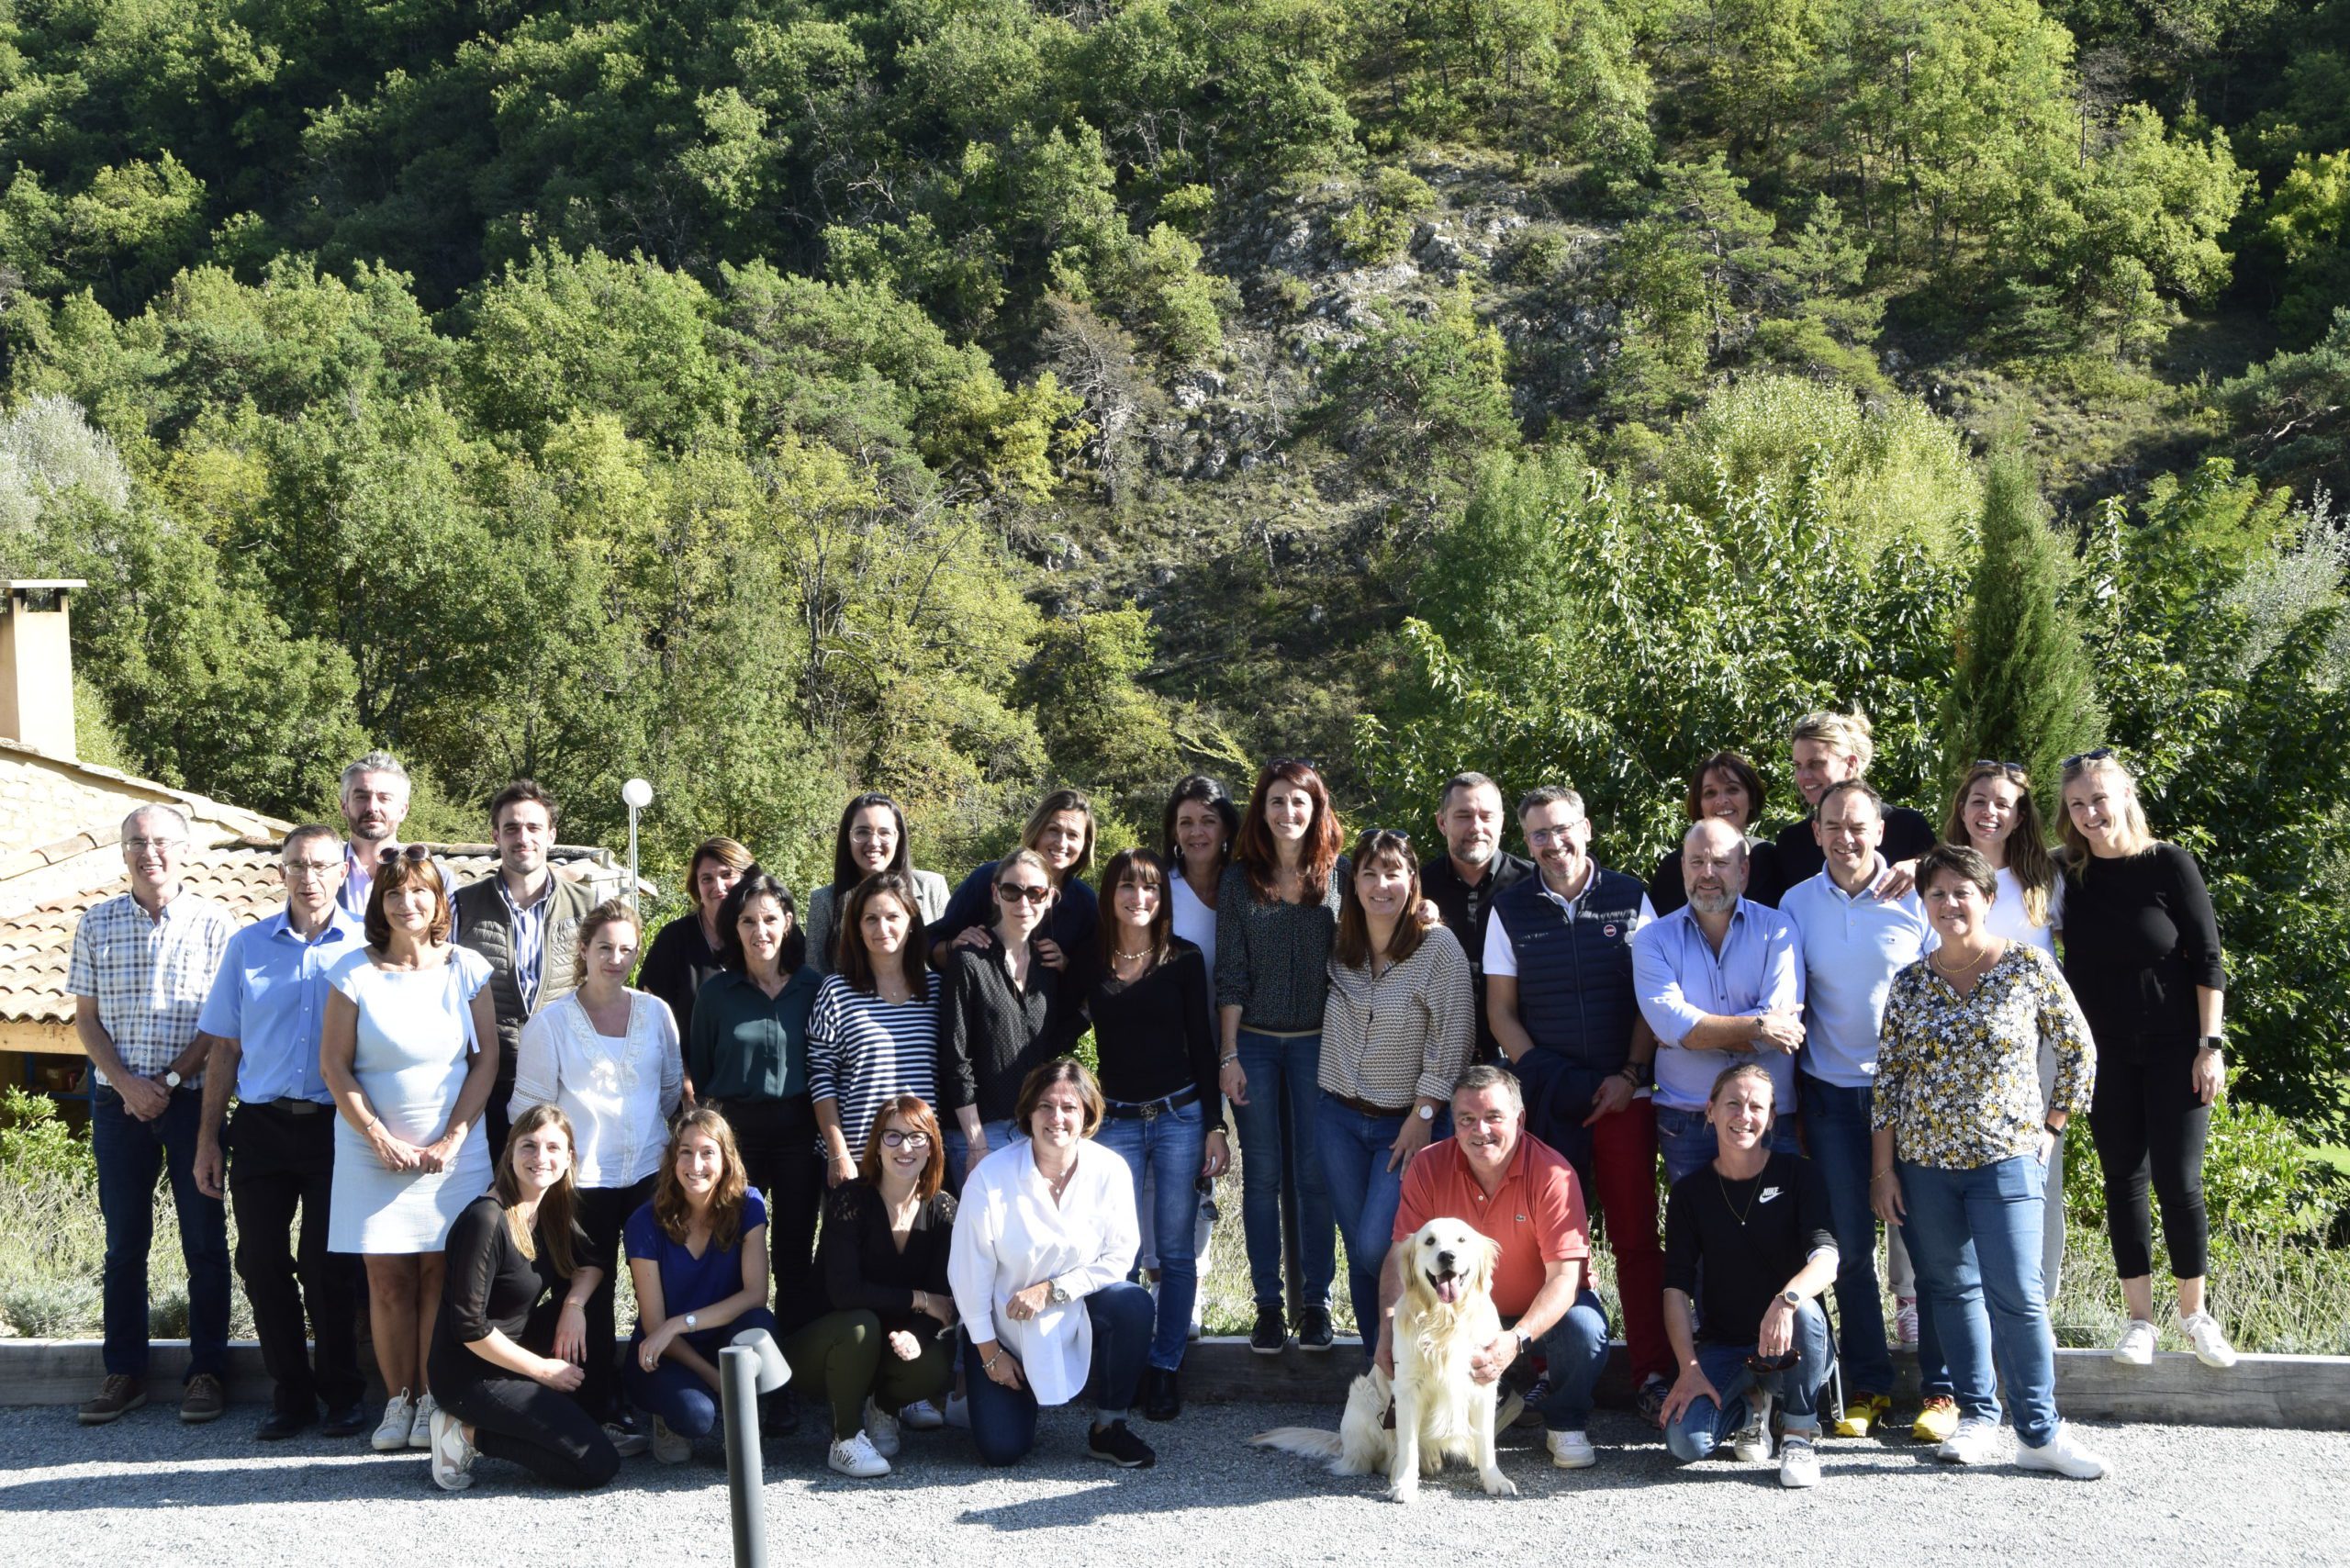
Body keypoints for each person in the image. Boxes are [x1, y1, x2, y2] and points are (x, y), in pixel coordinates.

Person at [1873, 845, 2109, 1478]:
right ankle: (1978, 1417)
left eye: (1962, 892)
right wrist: (1883, 1169)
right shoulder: (1910, 984)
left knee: (2019, 1295)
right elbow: (1888, 1085)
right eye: (1938, 894)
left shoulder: (2026, 967)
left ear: (1987, 898)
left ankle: (2039, 1430)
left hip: (2007, 1161)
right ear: (1924, 904)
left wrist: (2052, 1129)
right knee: (1949, 1290)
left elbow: (2079, 1050)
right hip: (1924, 1167)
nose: (1950, 904)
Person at [1483, 785, 1673, 1424]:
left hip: (1626, 1095)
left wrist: (1629, 1072)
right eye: (1539, 834)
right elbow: (1501, 1011)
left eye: (1563, 830)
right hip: (1550, 1100)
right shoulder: (1510, 909)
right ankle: (1554, 1373)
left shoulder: (1631, 895)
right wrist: (1546, 1075)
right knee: (1554, 1245)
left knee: (1635, 1238)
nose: (1553, 844)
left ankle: (1651, 1371)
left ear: (1586, 829)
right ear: (1527, 841)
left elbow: (1652, 998)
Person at [2057, 752, 2238, 1370]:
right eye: (2077, 804)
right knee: (2122, 1182)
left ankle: (2195, 1314)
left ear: (2126, 796)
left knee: (2179, 1183)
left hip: (2177, 1050)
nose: (2090, 814)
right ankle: (2141, 1321)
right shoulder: (2066, 875)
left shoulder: (2169, 864)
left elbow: (2208, 958)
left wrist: (2209, 1047)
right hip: (2104, 1056)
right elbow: (1988, 871)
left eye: (2099, 800)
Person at [190, 824, 370, 1440]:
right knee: (262, 1263)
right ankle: (290, 1395)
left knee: (329, 1269)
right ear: (281, 872)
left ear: (343, 870)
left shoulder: (366, 949)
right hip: (262, 1128)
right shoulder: (247, 947)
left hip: (334, 1130)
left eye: (321, 865)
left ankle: (343, 1392)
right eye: (296, 864)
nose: (308, 876)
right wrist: (208, 1139)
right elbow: (225, 1050)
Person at [1777, 779, 1943, 1440]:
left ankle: (1942, 1388)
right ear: (1816, 832)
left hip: (1910, 1095)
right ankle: (1869, 1385)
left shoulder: (1914, 898)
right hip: (1831, 1098)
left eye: (1858, 826)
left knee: (1931, 1244)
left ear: (1880, 831)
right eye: (1833, 826)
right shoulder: (1795, 903)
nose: (1846, 838)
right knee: (1846, 1248)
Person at [321, 846, 499, 1453]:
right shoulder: (353, 972)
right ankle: (398, 1401)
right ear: (380, 903)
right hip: (372, 1151)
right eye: (395, 893)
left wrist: (453, 1136)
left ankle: (433, 1399)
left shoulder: (467, 968)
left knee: (441, 1274)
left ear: (439, 901)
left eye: (420, 891)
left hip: (454, 1154)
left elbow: (486, 1060)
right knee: (388, 1279)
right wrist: (379, 1136)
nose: (408, 903)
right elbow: (334, 1065)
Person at [68, 804, 238, 1427]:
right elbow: (86, 1020)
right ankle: (125, 1373)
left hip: (195, 1104)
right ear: (123, 853)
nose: (150, 852)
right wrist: (127, 1085)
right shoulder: (96, 924)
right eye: (137, 841)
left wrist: (165, 1081)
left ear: (185, 851)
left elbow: (222, 1027)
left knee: (205, 1244)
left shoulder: (217, 926)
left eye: (162, 841)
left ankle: (208, 1373)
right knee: (123, 1246)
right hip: (117, 1107)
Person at [1375, 1065, 1613, 1472]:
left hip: (1535, 1311)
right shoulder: (1429, 1166)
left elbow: (1565, 1279)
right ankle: (1487, 1405)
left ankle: (1565, 1422)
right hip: (1461, 1310)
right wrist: (1387, 1331)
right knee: (1412, 1322)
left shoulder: (1553, 1174)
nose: (1479, 1130)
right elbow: (1401, 1258)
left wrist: (1514, 1340)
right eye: (1466, 1119)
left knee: (1585, 1329)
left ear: (1519, 1120)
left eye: (1493, 1117)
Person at [509, 898, 683, 1444]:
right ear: (583, 950)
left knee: (662, 1290)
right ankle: (595, 1407)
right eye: (603, 946)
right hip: (579, 1184)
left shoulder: (656, 1013)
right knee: (586, 1298)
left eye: (626, 947)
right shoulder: (552, 1023)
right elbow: (528, 1109)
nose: (615, 957)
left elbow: (671, 1089)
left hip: (649, 1177)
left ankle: (656, 1397)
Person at [1074, 848, 1225, 1418]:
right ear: (1109, 895)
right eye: (1128, 889)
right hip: (1114, 1121)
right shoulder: (1090, 963)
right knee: (1122, 1253)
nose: (1139, 899)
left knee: (1176, 1251)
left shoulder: (1182, 960)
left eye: (1151, 890)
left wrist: (1214, 1125)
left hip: (1181, 1116)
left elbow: (1203, 1044)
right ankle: (1128, 1364)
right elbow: (1060, 1027)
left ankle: (1164, 1368)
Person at [949, 1058, 1158, 1470]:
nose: (1056, 1118)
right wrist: (991, 1354)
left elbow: (1120, 1256)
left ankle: (1108, 1427)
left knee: (1133, 1302)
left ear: (1088, 1114)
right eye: (1045, 1106)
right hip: (1005, 1331)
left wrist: (1052, 1290)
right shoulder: (990, 1178)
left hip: (1074, 1309)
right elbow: (967, 1276)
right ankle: (979, 1394)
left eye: (1069, 1108)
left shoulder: (1110, 1171)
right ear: (1028, 1111)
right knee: (1002, 1451)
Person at [1319, 829, 1473, 1361]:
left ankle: (1417, 1357)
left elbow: (1455, 1036)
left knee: (1379, 1247)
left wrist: (1425, 1112)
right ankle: (1377, 1372)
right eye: (1369, 873)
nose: (1381, 885)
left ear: (1412, 879)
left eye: (1393, 873)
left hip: (1404, 1123)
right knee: (1358, 1250)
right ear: (1353, 882)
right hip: (1337, 1116)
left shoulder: (1438, 947)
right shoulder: (1341, 944)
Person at [1215, 759, 1347, 1355]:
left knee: (1315, 1177)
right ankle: (1268, 1306)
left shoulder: (1337, 875)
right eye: (1276, 801)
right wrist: (1228, 1054)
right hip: (1259, 1047)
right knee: (1262, 1176)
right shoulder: (1239, 881)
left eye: (1299, 801)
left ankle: (1317, 1304)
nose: (1287, 812)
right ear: (1260, 810)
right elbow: (1231, 973)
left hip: (1322, 1045)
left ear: (1316, 807)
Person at [422, 1106, 621, 1492]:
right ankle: (466, 1433)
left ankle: (587, 1417)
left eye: (552, 1148)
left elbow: (593, 1264)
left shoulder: (549, 1210)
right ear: (510, 1152)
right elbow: (469, 1327)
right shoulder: (487, 1219)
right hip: (470, 1375)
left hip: (513, 1351)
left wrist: (573, 1306)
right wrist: (543, 1370)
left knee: (590, 1306)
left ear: (568, 1159)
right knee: (597, 1465)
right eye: (529, 1146)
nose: (540, 1158)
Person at [1658, 1064, 1838, 1490]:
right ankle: (1752, 1406)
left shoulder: (1800, 1176)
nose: (1744, 1115)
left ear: (1772, 1117)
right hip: (1728, 1347)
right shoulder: (1688, 1194)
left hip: (1793, 1344)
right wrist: (1690, 1367)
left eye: (1756, 1106)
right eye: (1733, 1103)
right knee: (1685, 1443)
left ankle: (1797, 1432)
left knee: (1807, 1311)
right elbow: (1675, 1289)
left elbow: (1827, 1260)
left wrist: (1785, 1300)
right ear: (1711, 1111)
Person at [1946, 761, 2069, 1303]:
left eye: (2002, 804)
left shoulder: (2045, 879)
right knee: (1948, 1177)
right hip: (1947, 1049)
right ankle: (1957, 1299)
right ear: (1962, 808)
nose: (1989, 812)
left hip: (2030, 1047)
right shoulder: (1937, 873)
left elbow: (2073, 961)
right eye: (1978, 800)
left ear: (2020, 817)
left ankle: (2036, 1298)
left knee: (2038, 1169)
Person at [685, 872, 824, 1347]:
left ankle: (791, 1361)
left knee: (792, 1249)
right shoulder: (716, 994)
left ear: (787, 922)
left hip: (799, 1133)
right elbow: (701, 1069)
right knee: (734, 1244)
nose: (759, 930)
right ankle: (734, 1354)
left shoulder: (815, 987)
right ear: (734, 929)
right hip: (736, 1134)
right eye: (747, 920)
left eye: (769, 918)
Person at [788, 1097, 960, 1477]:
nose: (905, 1147)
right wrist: (918, 1300)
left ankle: (883, 1406)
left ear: (932, 1146)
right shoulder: (850, 1200)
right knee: (859, 1323)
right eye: (893, 1136)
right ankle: (844, 1440)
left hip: (889, 1346)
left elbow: (943, 1303)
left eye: (917, 1137)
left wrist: (918, 1333)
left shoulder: (944, 1210)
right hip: (827, 1346)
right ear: (876, 1144)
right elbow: (844, 1293)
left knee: (936, 1357)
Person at [1632, 818, 1804, 1183]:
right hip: (1688, 1122)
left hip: (1767, 1117)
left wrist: (1693, 1032)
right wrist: (1759, 1025)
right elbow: (1671, 1025)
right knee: (1698, 1238)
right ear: (1682, 868)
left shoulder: (1779, 929)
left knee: (1780, 1238)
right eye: (1696, 862)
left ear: (1743, 870)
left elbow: (1780, 1030)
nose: (1707, 873)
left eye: (1721, 863)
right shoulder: (1652, 940)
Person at [623, 1109, 791, 1464]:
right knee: (695, 1417)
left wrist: (679, 1323)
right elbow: (656, 1326)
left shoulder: (748, 1205)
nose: (695, 1163)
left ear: (725, 1159)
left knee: (760, 1323)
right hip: (664, 1351)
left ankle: (741, 1420)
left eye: (707, 1152)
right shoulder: (644, 1222)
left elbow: (755, 1294)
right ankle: (669, 1416)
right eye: (685, 1151)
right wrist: (716, 1379)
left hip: (714, 1338)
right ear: (673, 1159)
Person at [453, 779, 597, 1158]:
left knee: (560, 1198)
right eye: (511, 827)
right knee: (491, 1199)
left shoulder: (588, 905)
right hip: (489, 1080)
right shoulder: (462, 905)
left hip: (566, 1077)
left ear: (551, 835)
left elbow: (606, 989)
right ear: (495, 836)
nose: (523, 837)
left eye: (533, 827)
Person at [1157, 776, 1240, 1338]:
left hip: (1243, 1048)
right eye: (1185, 822)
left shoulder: (1247, 886)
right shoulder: (1160, 890)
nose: (1196, 832)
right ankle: (1178, 1292)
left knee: (1250, 1173)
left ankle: (1291, 1299)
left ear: (1227, 827)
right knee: (1188, 1174)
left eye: (1207, 820)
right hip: (1179, 1054)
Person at [937, 850, 1070, 1186]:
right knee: (982, 1237)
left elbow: (1047, 1047)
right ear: (996, 893)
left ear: (1050, 897)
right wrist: (975, 1141)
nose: (1023, 902)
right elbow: (955, 1056)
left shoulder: (1046, 965)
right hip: (980, 1133)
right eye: (1013, 891)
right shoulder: (969, 960)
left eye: (1035, 892)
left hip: (1032, 1130)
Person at [810, 871, 944, 1184]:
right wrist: (838, 1153)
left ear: (911, 922)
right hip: (858, 1162)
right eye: (871, 919)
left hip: (921, 1158)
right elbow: (821, 1078)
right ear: (857, 928)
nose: (882, 928)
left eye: (892, 916)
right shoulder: (835, 991)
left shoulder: (937, 990)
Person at [1416, 772, 1532, 1064]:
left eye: (1486, 816)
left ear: (1502, 822)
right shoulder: (1415, 888)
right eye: (1464, 816)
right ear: (1442, 822)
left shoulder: (1533, 885)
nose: (1476, 827)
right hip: (1435, 1058)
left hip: (1521, 1056)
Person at [1772, 708, 1935, 892]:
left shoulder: (1907, 827)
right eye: (1798, 766)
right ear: (1817, 833)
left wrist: (1922, 868)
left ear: (1850, 764)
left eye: (1815, 763)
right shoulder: (1792, 842)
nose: (1803, 776)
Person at [931, 790, 1101, 963]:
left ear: (1084, 844)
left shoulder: (1086, 904)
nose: (1062, 843)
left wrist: (1066, 966)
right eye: (1053, 830)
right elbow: (929, 948)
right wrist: (955, 946)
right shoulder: (987, 878)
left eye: (1073, 835)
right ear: (1037, 831)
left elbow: (1093, 976)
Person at [804, 794, 951, 974]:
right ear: (847, 838)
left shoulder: (932, 887)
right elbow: (815, 974)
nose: (873, 842)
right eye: (862, 832)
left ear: (898, 837)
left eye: (884, 832)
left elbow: (950, 959)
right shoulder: (824, 900)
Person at [636, 836, 753, 1047]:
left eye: (727, 874)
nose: (718, 886)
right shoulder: (674, 939)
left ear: (747, 878)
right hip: (687, 1074)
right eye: (706, 879)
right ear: (696, 887)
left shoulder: (765, 936)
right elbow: (650, 1019)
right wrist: (683, 1075)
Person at [1650, 751, 1786, 914]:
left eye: (1732, 790)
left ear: (1751, 798)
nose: (1721, 801)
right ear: (1699, 805)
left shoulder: (1771, 860)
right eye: (1710, 793)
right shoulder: (1672, 870)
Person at [336, 750, 418, 922]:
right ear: (344, 807)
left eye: (384, 798)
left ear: (403, 810)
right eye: (361, 797)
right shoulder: (318, 872)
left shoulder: (434, 876)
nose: (372, 807)